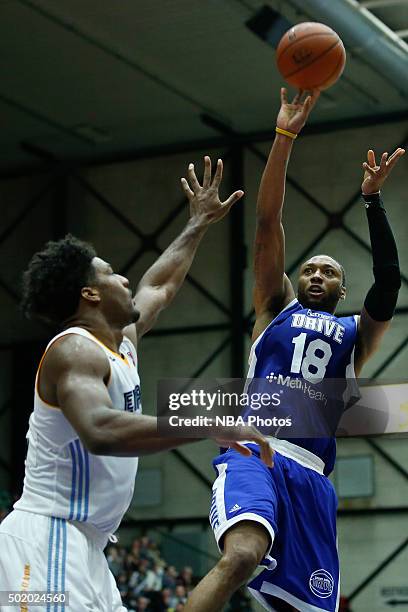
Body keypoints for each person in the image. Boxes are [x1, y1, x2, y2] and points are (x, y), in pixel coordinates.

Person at [0, 156, 273, 611]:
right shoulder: (74, 350)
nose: (124, 279)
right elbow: (101, 430)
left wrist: (198, 222)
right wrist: (204, 423)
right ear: (89, 294)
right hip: (46, 539)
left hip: (87, 549)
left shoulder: (120, 343)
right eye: (110, 274)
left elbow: (160, 285)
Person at [184, 90, 404, 612]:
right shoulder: (272, 307)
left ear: (341, 290)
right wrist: (285, 136)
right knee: (239, 557)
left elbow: (390, 281)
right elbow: (267, 223)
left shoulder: (356, 334)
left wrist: (372, 201)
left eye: (329, 271)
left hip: (312, 475)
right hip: (256, 449)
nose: (317, 274)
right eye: (309, 267)